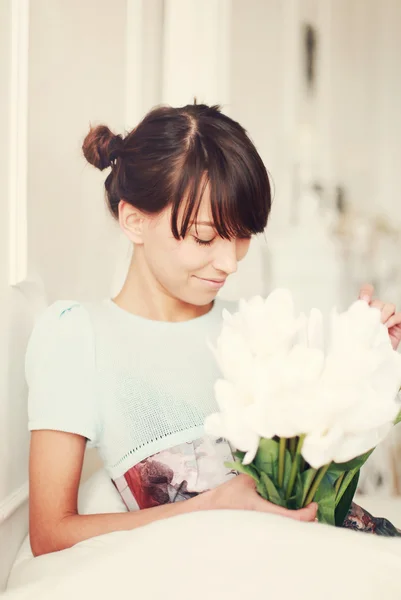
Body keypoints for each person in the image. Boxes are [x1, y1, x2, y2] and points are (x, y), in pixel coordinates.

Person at [27, 102, 401, 558]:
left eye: (242, 234)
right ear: (134, 220)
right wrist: (212, 507)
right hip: (229, 569)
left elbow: (322, 460)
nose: (229, 262)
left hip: (334, 552)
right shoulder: (77, 338)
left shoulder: (254, 324)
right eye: (205, 237)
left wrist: (364, 357)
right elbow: (51, 532)